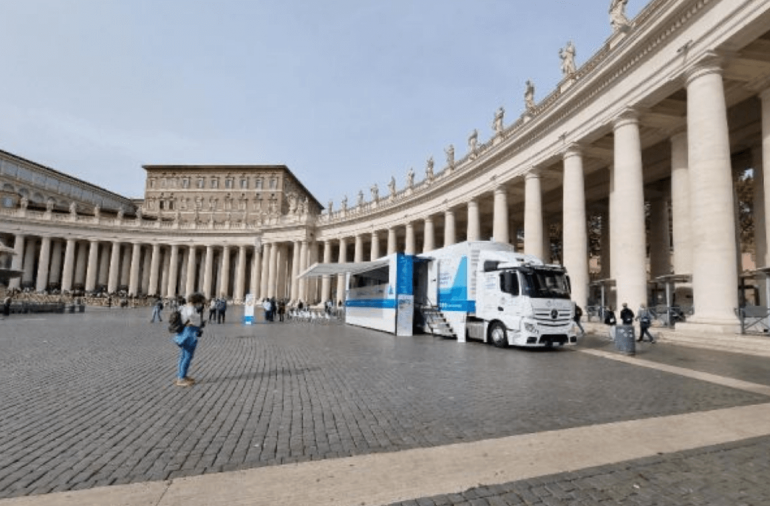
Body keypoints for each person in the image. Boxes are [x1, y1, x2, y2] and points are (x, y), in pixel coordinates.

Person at [174, 293, 206, 387]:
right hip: (189, 333)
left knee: (183, 355)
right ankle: (181, 379)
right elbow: (192, 316)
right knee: (187, 356)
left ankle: (181, 375)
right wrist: (198, 322)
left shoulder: (183, 307)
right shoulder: (191, 308)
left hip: (185, 332)